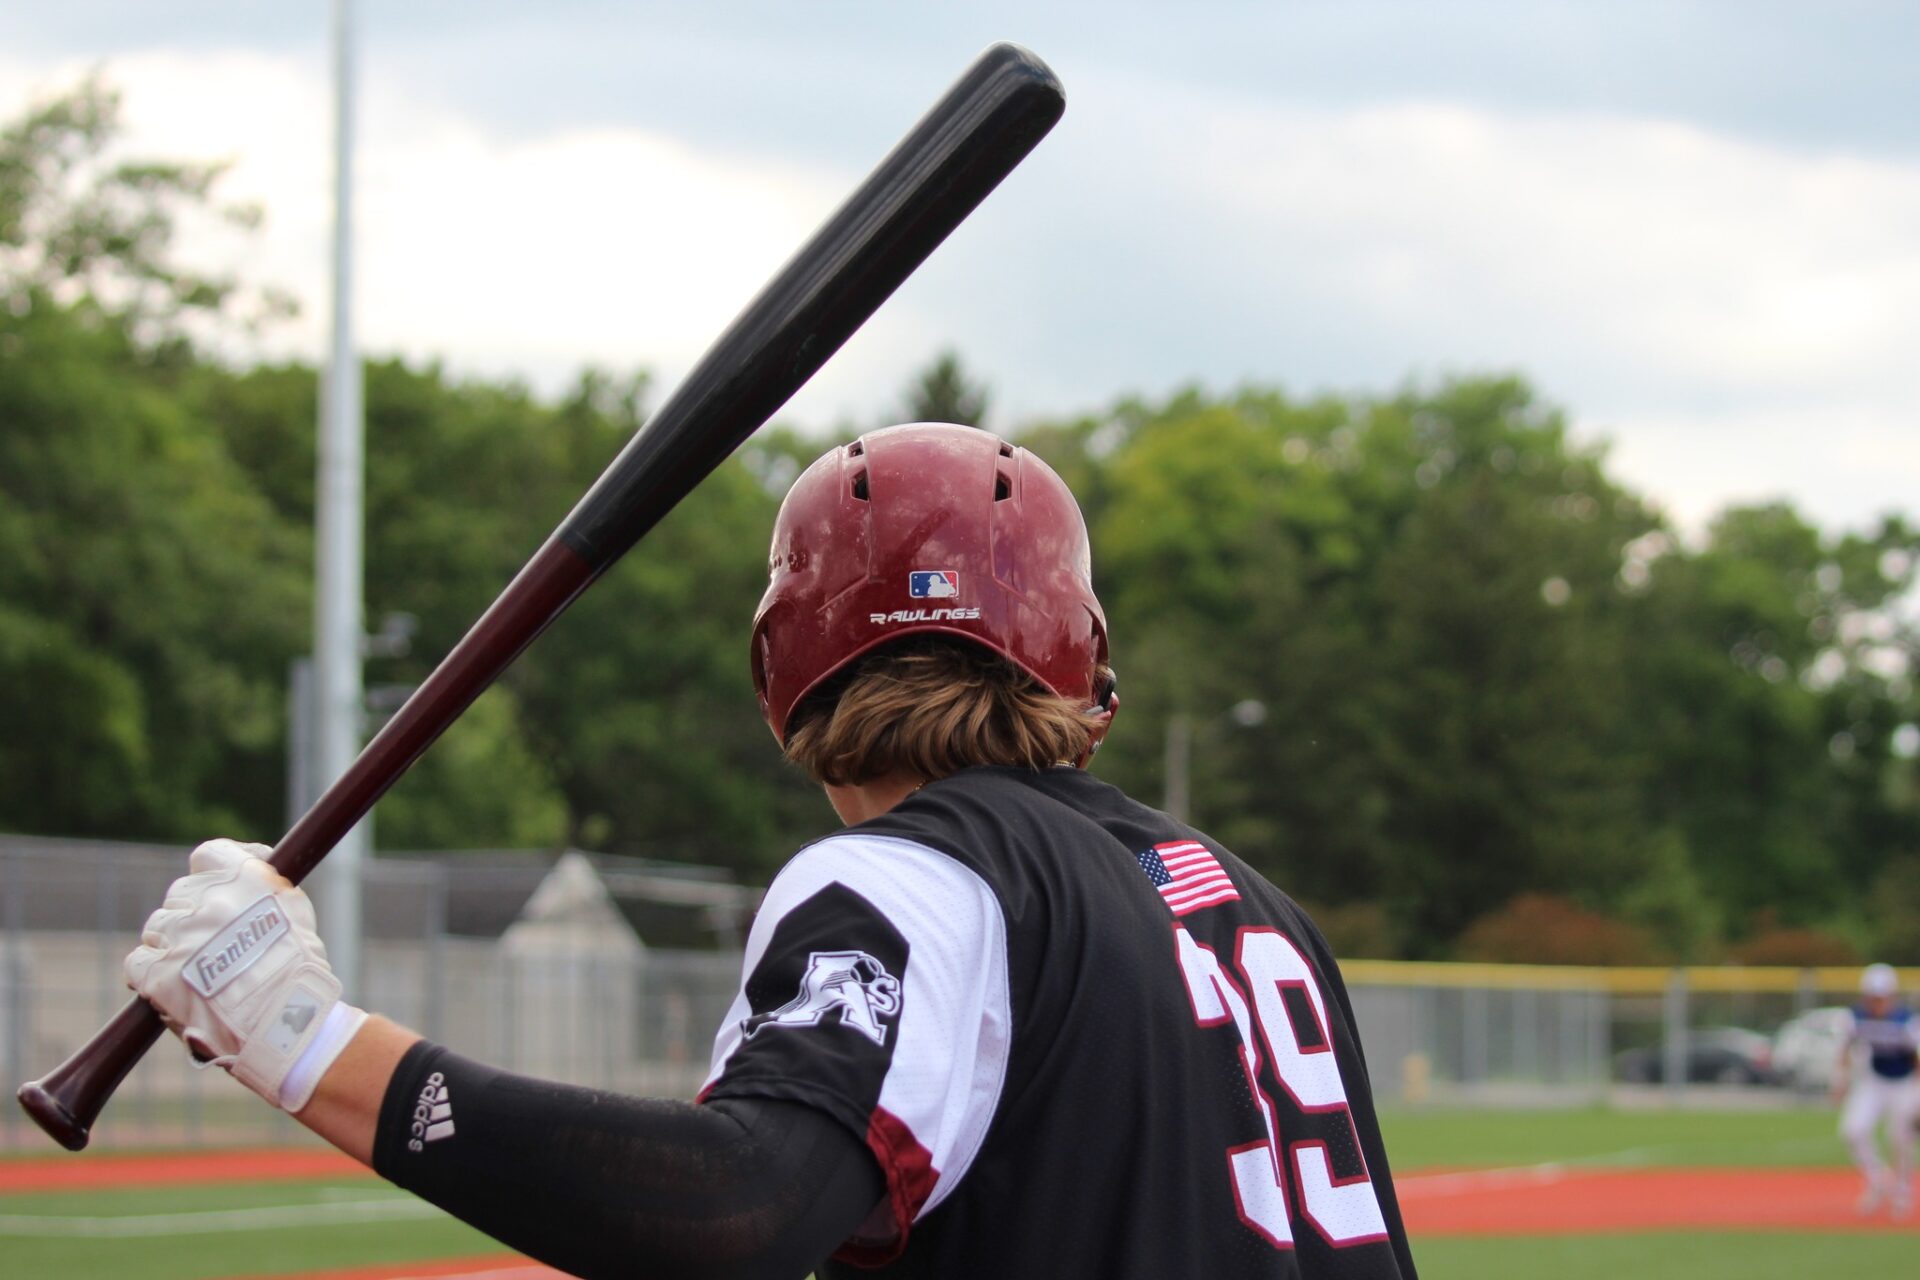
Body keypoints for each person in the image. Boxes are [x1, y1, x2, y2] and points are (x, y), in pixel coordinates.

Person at [126, 424, 1418, 1279]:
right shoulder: (1254, 906)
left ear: (777, 665)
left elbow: (734, 1210)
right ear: (1083, 660)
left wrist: (298, 1035)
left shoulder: (912, 876)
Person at [1833, 962, 1919, 1217]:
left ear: (1891, 996)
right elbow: (1845, 1049)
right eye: (1872, 997)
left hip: (1905, 1082)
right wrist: (1841, 1080)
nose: (1876, 1003)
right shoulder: (1857, 1016)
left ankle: (1903, 1192)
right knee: (1852, 1130)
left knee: (1900, 1138)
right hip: (1875, 1080)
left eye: (1880, 997)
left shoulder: (1907, 1021)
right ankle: (1877, 1180)